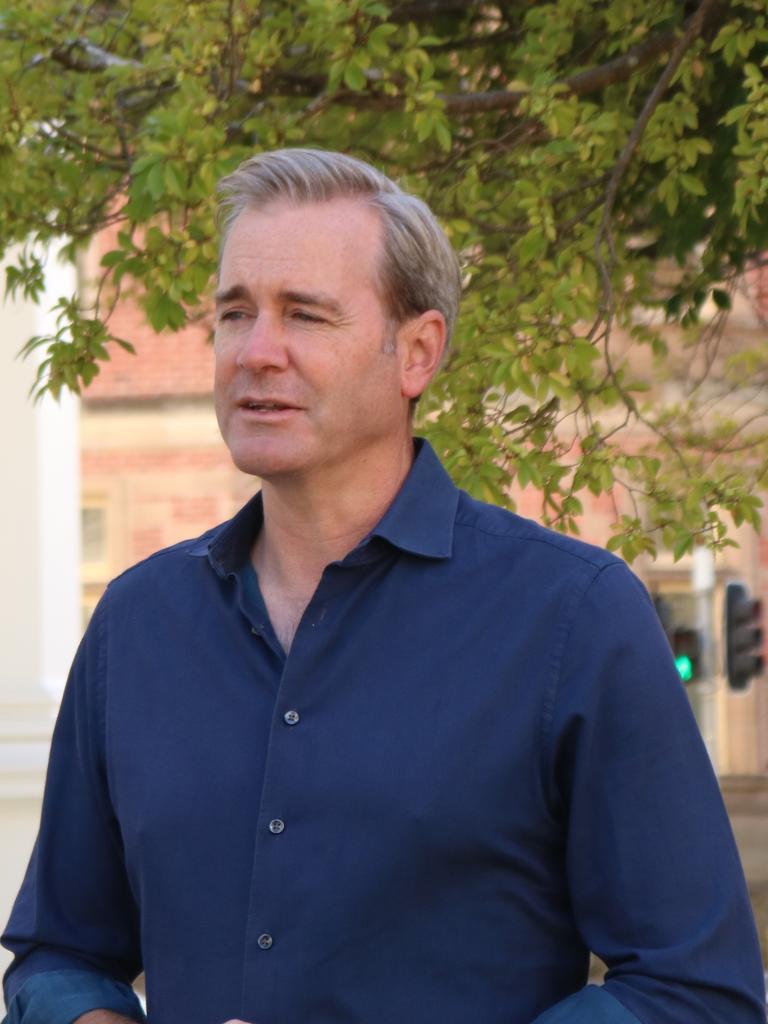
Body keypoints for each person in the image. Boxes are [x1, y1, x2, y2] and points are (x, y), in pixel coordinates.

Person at [2, 148, 765, 1024]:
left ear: (417, 353)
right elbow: (60, 954)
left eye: (307, 316)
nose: (256, 352)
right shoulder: (137, 626)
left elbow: (694, 994)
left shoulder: (573, 618)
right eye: (235, 312)